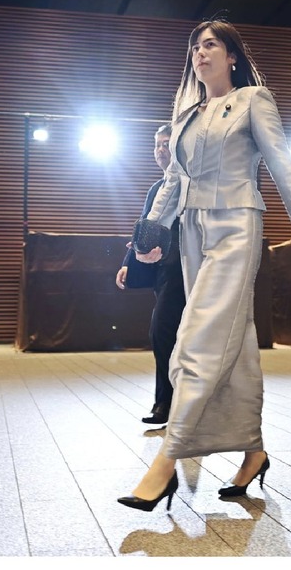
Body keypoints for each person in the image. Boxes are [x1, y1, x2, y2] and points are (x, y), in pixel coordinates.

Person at [117, 18, 291, 512]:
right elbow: (173, 181)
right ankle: (254, 452)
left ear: (232, 55)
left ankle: (166, 463)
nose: (200, 52)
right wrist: (147, 236)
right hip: (192, 233)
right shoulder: (186, 113)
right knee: (234, 344)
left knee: (196, 340)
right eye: (195, 46)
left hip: (237, 226)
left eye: (210, 44)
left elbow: (282, 165)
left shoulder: (255, 99)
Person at [116, 124, 186, 425]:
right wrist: (128, 261)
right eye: (156, 144)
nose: (160, 150)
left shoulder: (195, 184)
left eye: (166, 143)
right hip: (165, 273)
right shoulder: (157, 188)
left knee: (181, 337)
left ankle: (181, 405)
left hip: (194, 270)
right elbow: (144, 225)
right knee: (163, 335)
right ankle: (165, 403)